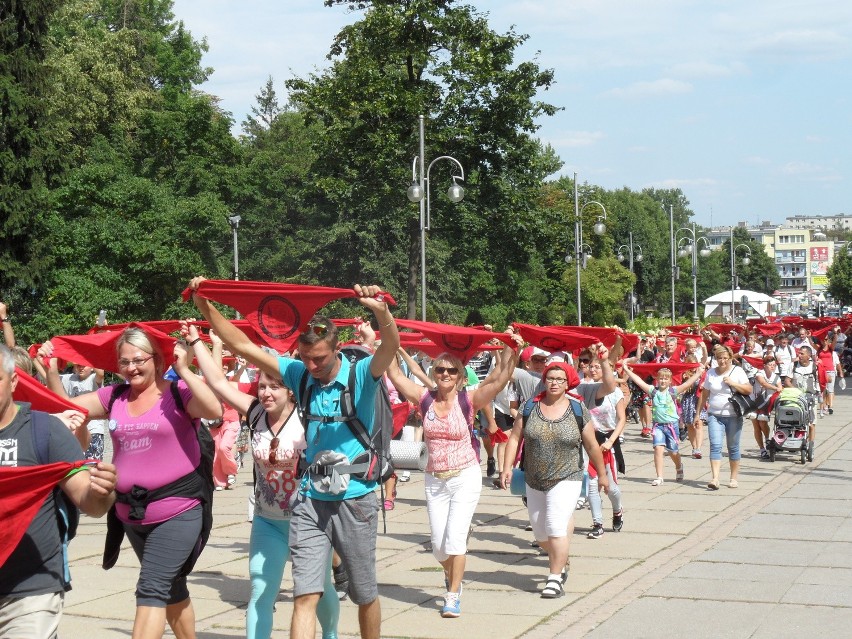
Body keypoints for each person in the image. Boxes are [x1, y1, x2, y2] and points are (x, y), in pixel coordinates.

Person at [189, 278, 398, 639]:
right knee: (305, 595)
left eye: (319, 359)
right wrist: (205, 305)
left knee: (364, 594)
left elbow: (388, 349)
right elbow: (241, 344)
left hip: (356, 499)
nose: (312, 366)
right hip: (311, 500)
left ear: (336, 350)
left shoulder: (361, 375)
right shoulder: (299, 375)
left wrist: (382, 315)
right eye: (305, 358)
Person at [42, 327, 223, 639]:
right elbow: (68, 412)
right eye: (124, 362)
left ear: (155, 359)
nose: (131, 368)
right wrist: (52, 373)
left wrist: (183, 369)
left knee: (151, 588)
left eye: (138, 360)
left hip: (178, 511)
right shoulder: (114, 396)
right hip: (131, 515)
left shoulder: (177, 393)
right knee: (171, 588)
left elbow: (214, 409)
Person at [182, 322, 339, 639]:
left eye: (274, 387)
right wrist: (197, 341)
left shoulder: (308, 415)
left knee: (317, 588)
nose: (266, 393)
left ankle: (331, 635)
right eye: (262, 387)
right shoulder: (254, 413)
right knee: (260, 590)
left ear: (290, 390)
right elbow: (217, 381)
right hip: (267, 521)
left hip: (307, 520)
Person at [386, 336, 520, 617]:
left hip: (465, 476)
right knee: (438, 546)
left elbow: (499, 380)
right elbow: (395, 374)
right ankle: (451, 570)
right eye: (440, 370)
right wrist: (385, 342)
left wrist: (512, 349)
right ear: (433, 373)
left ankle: (452, 594)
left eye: (451, 370)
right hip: (435, 478)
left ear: (461, 375)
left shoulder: (468, 399)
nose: (445, 375)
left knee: (456, 540)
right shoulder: (423, 398)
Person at [0, 345, 118, 638]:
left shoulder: (45, 430)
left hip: (30, 592)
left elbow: (89, 503)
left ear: (13, 381)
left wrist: (102, 492)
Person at [498, 361, 609, 599]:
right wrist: (506, 467)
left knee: (556, 527)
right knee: (541, 535)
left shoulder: (578, 409)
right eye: (551, 378)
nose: (555, 383)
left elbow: (591, 445)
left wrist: (601, 474)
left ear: (568, 383)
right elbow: (515, 438)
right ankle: (562, 557)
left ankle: (554, 578)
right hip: (534, 477)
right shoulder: (530, 406)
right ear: (544, 381)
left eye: (560, 379)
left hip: (567, 476)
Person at [622, 363, 704, 486]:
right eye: (661, 378)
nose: (663, 380)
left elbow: (687, 384)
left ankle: (678, 466)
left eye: (666, 378)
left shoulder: (673, 391)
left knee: (673, 452)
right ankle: (659, 476)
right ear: (656, 379)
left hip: (671, 425)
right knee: (658, 449)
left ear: (670, 380)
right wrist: (628, 371)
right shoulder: (653, 391)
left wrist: (698, 373)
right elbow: (639, 381)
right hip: (658, 426)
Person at [697, 345, 753, 490]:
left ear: (730, 359)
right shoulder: (711, 373)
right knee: (715, 446)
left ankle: (733, 478)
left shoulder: (738, 371)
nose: (722, 361)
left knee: (733, 447)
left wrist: (733, 383)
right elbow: (705, 394)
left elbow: (748, 390)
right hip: (715, 415)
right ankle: (715, 478)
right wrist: (698, 414)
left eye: (725, 358)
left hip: (733, 415)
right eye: (719, 358)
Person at [584, 359, 626, 538]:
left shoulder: (615, 392)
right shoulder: (584, 389)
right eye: (590, 366)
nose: (593, 370)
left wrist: (611, 441)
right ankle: (597, 523)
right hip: (589, 440)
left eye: (597, 367)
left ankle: (617, 511)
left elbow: (622, 419)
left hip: (609, 441)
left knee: (611, 488)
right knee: (592, 486)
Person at [44, 362, 107, 461]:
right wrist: (38, 360)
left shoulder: (93, 379)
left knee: (93, 467)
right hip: (76, 431)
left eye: (84, 365)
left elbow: (101, 374)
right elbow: (50, 376)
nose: (81, 368)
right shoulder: (70, 378)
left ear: (91, 368)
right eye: (78, 365)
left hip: (94, 430)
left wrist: (87, 357)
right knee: (78, 466)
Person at [751, 355, 783, 459]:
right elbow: (763, 383)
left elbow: (780, 388)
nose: (772, 367)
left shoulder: (776, 377)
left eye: (774, 365)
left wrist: (778, 389)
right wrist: (775, 388)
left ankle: (767, 438)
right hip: (756, 401)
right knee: (756, 425)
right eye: (770, 365)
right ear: (764, 366)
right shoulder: (759, 373)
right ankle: (762, 449)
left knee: (762, 423)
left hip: (767, 402)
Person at [816, 334, 842, 417]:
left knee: (830, 389)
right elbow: (812, 344)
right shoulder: (819, 349)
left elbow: (835, 341)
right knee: (823, 390)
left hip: (830, 370)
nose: (824, 341)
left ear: (828, 340)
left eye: (826, 339)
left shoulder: (831, 349)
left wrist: (835, 333)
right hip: (822, 371)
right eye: (823, 339)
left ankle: (830, 406)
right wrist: (809, 337)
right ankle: (823, 407)